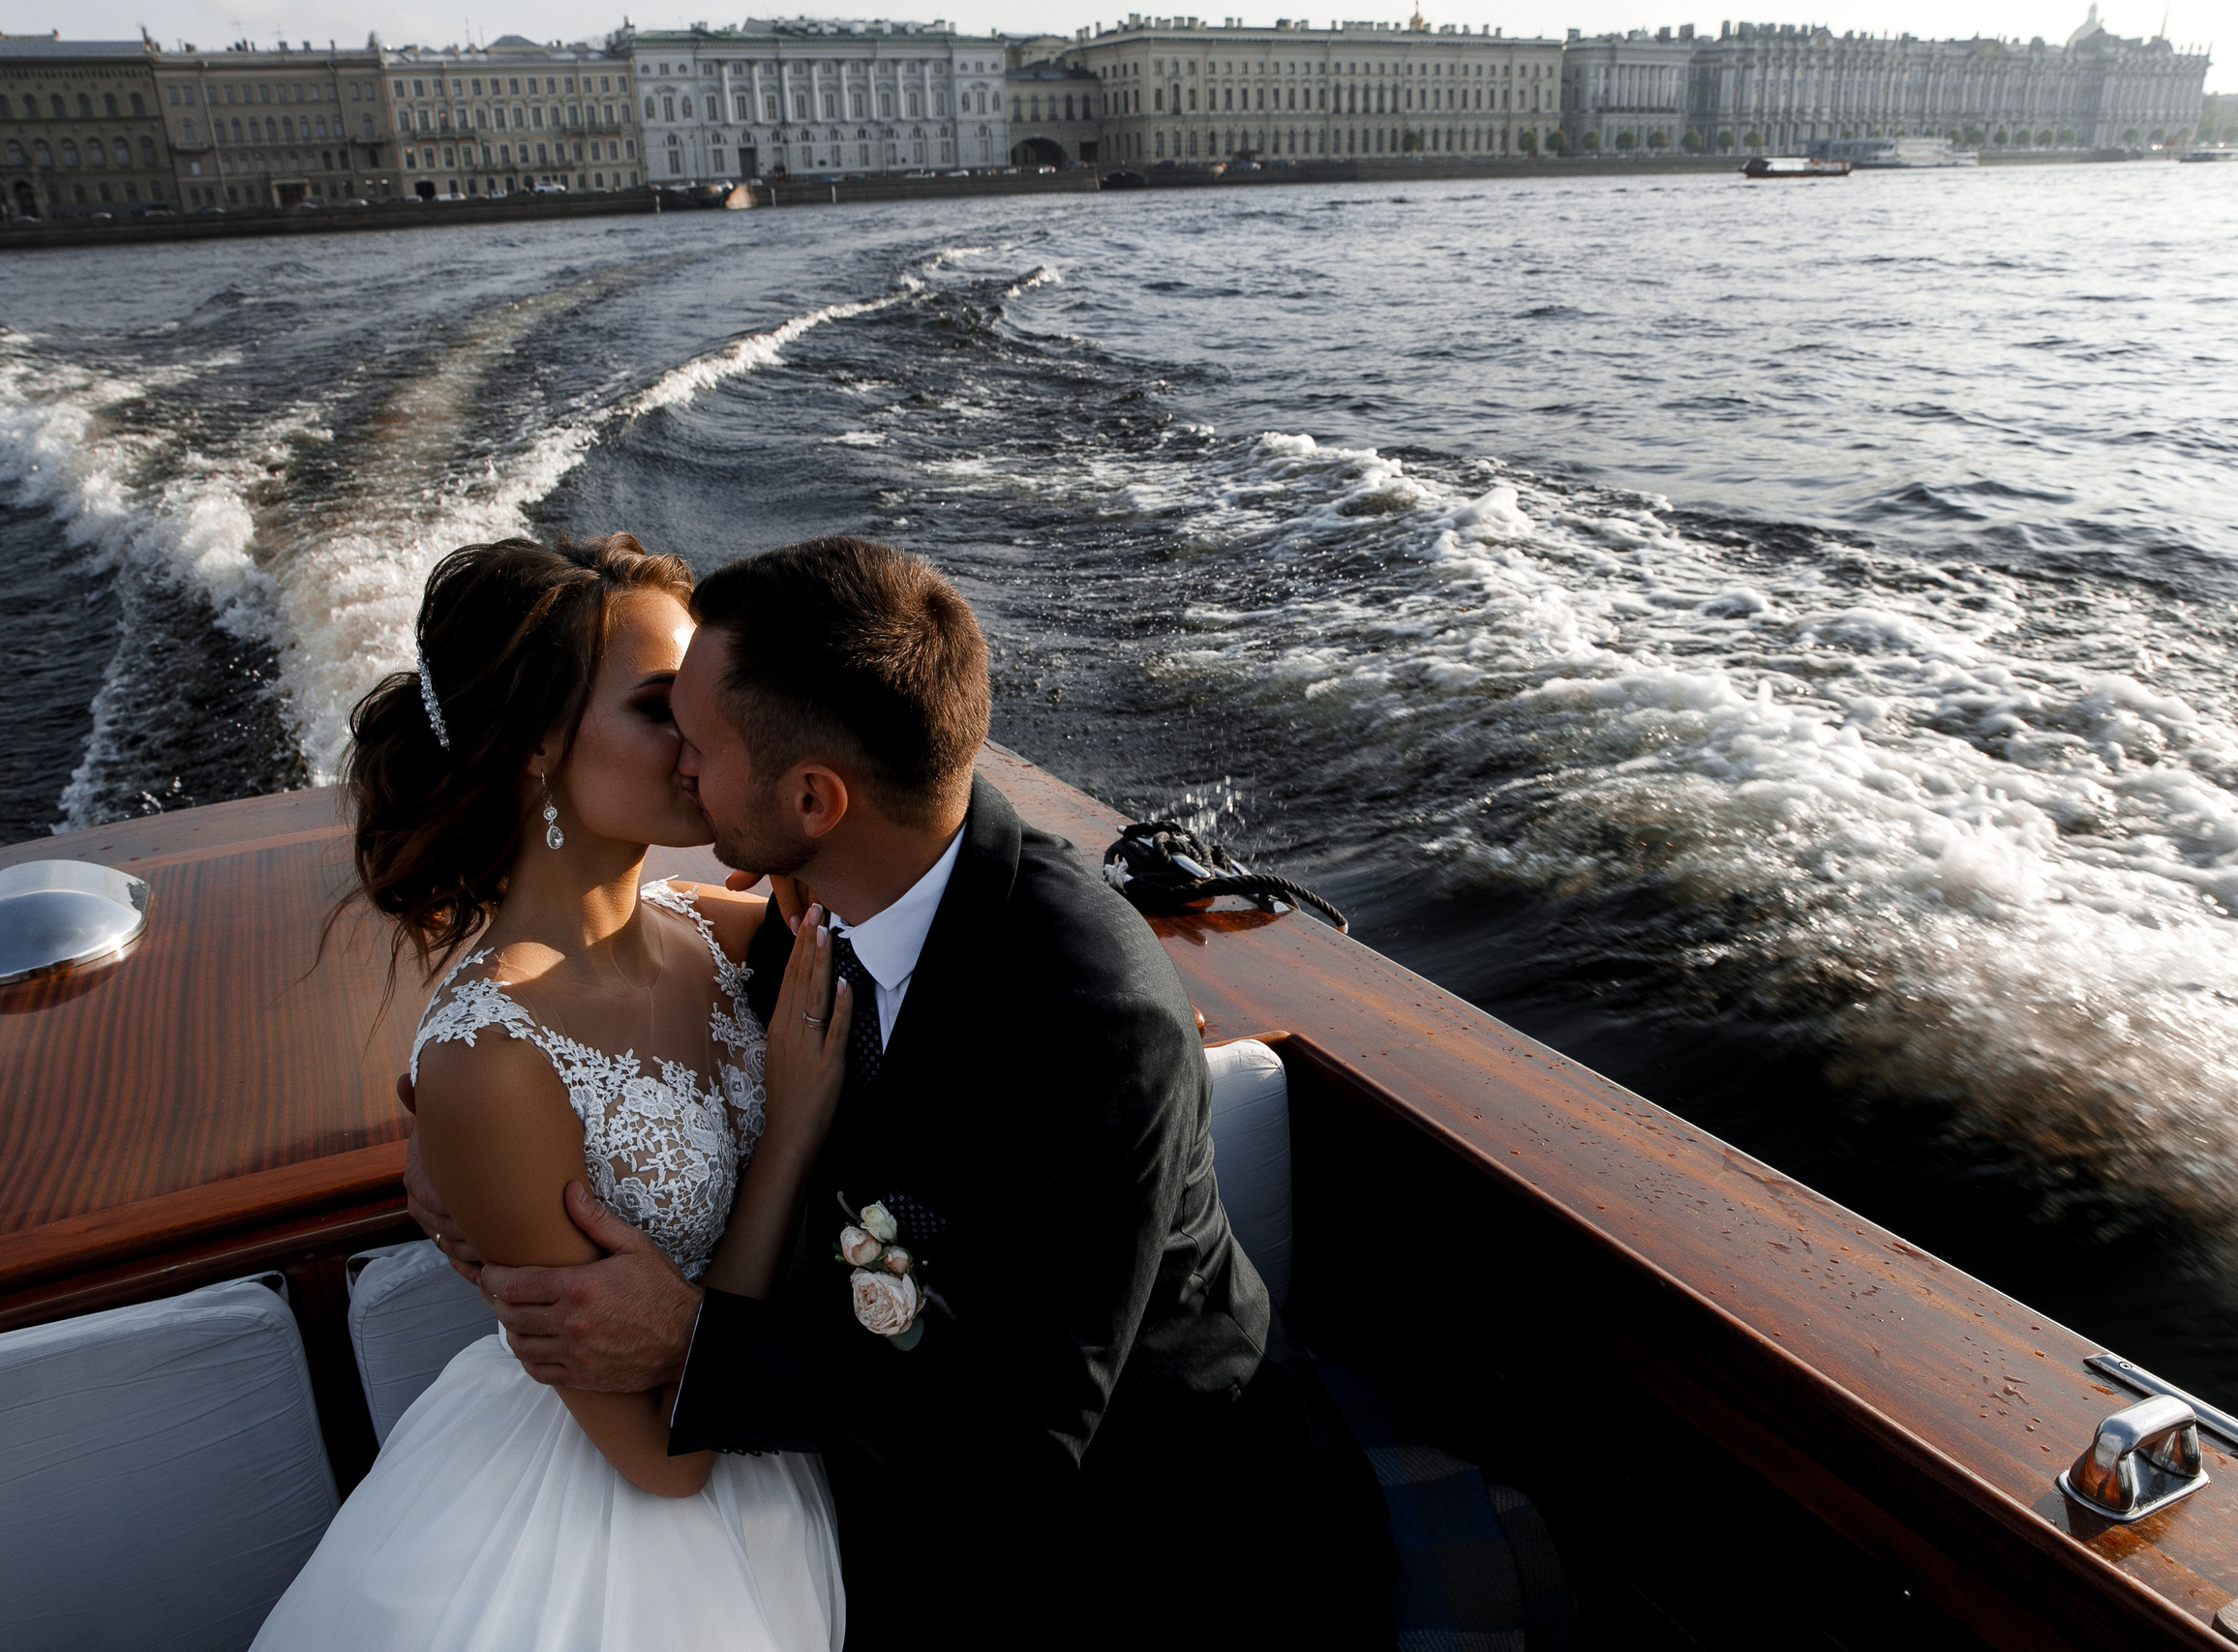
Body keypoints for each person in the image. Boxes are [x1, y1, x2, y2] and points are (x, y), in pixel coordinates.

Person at [408, 536, 1395, 1650]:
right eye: (661, 712)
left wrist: (695, 1339)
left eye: (701, 733)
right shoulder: (808, 906)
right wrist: (448, 1142)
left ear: (812, 797)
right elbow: (538, 1027)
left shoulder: (1088, 1018)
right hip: (863, 1475)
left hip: (1151, 1537)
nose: (686, 756)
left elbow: (1023, 1440)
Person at [254, 535, 856, 1651]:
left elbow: (902, 913)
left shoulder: (713, 931)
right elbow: (662, 1462)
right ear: (536, 744)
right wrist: (788, 1135)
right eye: (659, 709)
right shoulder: (490, 1059)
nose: (705, 738)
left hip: (786, 1425)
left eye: (706, 702)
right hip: (633, 1515)